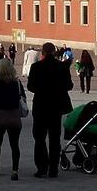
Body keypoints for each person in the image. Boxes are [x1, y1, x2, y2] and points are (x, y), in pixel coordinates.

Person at [25, 42, 73, 178]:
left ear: (43, 53)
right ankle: (53, 169)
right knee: (54, 139)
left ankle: (41, 167)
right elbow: (69, 85)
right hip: (56, 107)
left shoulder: (36, 67)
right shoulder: (62, 67)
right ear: (54, 52)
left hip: (40, 106)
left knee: (39, 138)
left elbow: (31, 87)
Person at [0, 57, 25, 179]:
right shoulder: (17, 83)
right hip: (14, 116)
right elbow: (22, 97)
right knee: (15, 145)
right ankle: (14, 170)